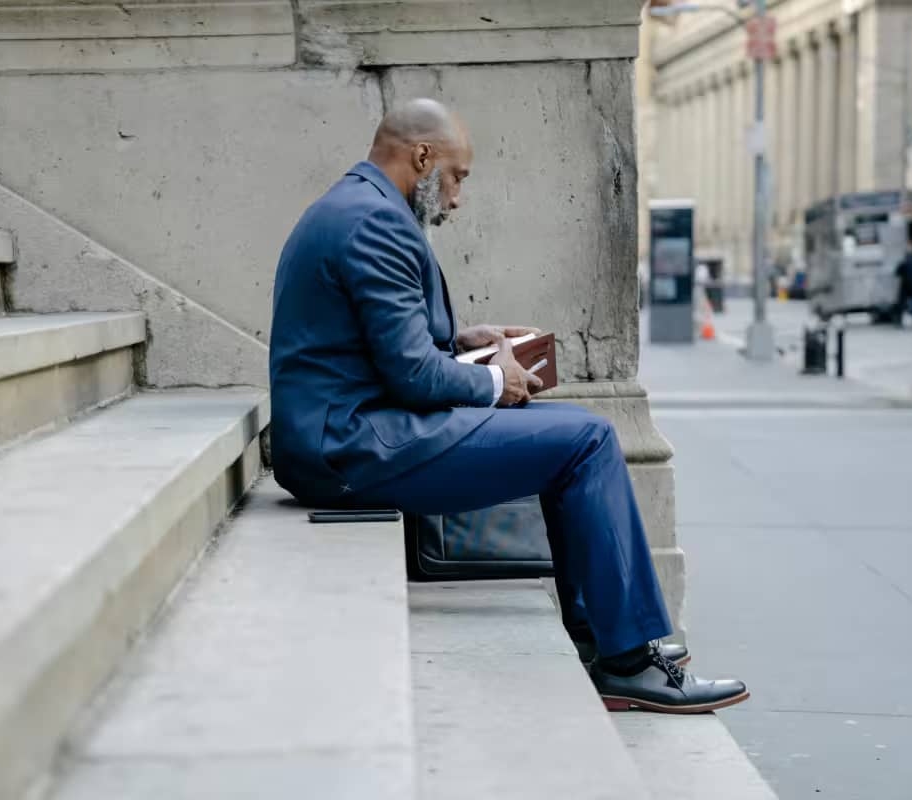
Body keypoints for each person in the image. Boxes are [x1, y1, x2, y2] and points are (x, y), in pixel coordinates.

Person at [269, 99, 749, 714]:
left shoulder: (355, 206)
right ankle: (627, 660)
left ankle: (605, 636)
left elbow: (386, 349)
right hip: (351, 448)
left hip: (349, 431)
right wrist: (499, 381)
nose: (457, 197)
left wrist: (460, 341)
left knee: (580, 432)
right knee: (587, 441)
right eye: (456, 176)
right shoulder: (374, 223)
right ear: (422, 156)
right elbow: (412, 376)